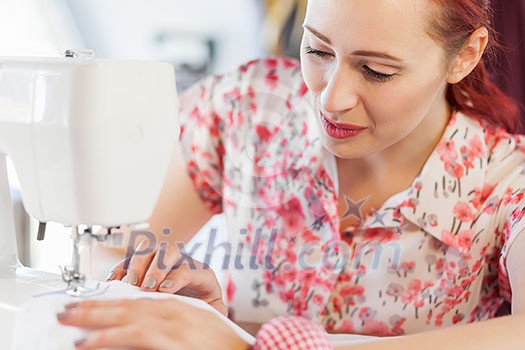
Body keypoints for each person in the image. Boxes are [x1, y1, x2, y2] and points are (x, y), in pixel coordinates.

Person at [57, 0, 525, 348]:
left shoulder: (505, 183)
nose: (331, 98)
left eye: (377, 70)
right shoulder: (248, 111)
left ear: (466, 55)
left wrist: (247, 346)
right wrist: (166, 297)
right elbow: (107, 249)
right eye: (318, 51)